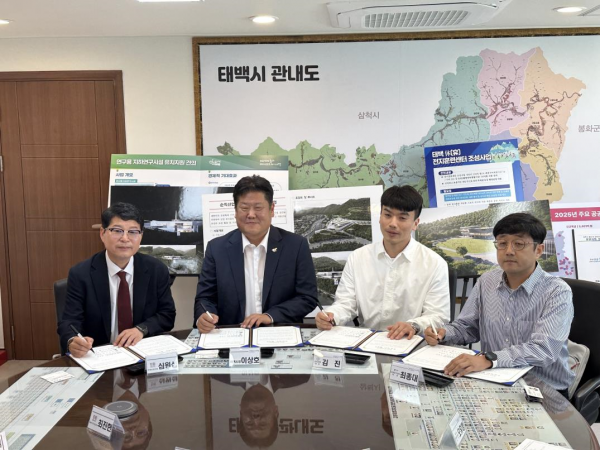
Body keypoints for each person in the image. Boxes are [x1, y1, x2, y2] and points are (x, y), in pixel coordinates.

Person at [424, 212, 574, 396]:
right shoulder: (486, 281)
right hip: (494, 380)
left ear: (539, 250)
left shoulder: (557, 291)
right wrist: (444, 333)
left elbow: (544, 349)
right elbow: (467, 327)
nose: (509, 251)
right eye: (502, 243)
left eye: (519, 244)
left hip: (545, 389)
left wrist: (490, 359)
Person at [316, 185, 450, 339]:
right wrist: (332, 316)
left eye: (402, 218)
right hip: (366, 341)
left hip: (412, 342)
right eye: (387, 215)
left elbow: (438, 315)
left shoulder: (435, 264)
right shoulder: (358, 257)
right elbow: (346, 303)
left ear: (415, 223)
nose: (393, 223)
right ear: (380, 216)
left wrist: (413, 325)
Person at [195, 175, 318, 332]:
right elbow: (205, 298)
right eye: (244, 208)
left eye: (258, 208)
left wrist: (270, 316)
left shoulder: (296, 245)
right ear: (235, 210)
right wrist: (204, 315)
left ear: (271, 209)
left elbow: (307, 297)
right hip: (232, 335)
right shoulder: (217, 248)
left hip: (280, 333)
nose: (251, 214)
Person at [58, 202, 176, 357]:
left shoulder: (156, 270)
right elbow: (69, 322)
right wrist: (72, 340)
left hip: (143, 354)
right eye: (117, 231)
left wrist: (141, 330)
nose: (125, 238)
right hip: (100, 355)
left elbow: (167, 315)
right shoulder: (81, 273)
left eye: (133, 232)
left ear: (141, 236)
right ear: (102, 233)